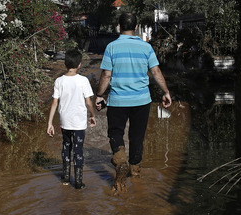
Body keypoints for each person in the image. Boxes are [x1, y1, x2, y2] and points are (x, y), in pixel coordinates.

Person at [95, 12, 172, 192]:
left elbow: (106, 75)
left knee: (115, 132)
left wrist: (99, 95)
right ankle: (135, 173)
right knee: (137, 137)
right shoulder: (146, 48)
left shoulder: (111, 47)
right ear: (136, 27)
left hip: (117, 100)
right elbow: (156, 72)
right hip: (141, 101)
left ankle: (121, 160)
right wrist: (166, 92)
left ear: (119, 27)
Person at [47, 49, 97, 189]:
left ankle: (66, 178)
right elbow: (88, 102)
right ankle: (79, 182)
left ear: (65, 64)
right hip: (79, 123)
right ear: (79, 64)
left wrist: (50, 123)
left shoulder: (59, 81)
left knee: (66, 147)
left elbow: (54, 103)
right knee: (78, 149)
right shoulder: (83, 81)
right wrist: (93, 115)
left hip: (65, 121)